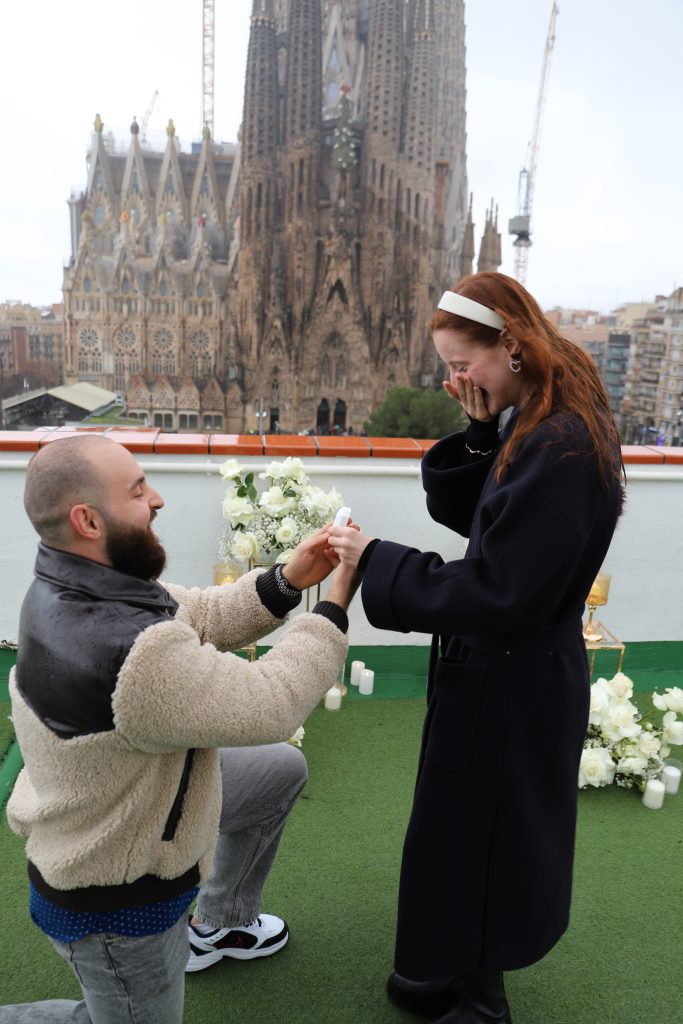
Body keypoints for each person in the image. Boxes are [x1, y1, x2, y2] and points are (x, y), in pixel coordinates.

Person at [328, 272, 624, 1024]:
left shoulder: (561, 443)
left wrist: (375, 561)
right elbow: (493, 525)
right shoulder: (541, 420)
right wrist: (479, 430)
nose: (458, 380)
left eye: (465, 365)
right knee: (462, 833)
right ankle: (442, 971)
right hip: (502, 675)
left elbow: (499, 588)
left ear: (512, 345)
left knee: (490, 840)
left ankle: (482, 1002)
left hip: (512, 682)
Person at [2, 433, 360, 1023]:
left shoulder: (75, 578)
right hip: (116, 896)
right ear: (88, 520)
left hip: (143, 797)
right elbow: (273, 701)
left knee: (278, 769)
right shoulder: (128, 651)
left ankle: (222, 923)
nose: (157, 499)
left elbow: (198, 612)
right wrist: (334, 603)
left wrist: (287, 580)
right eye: (137, 490)